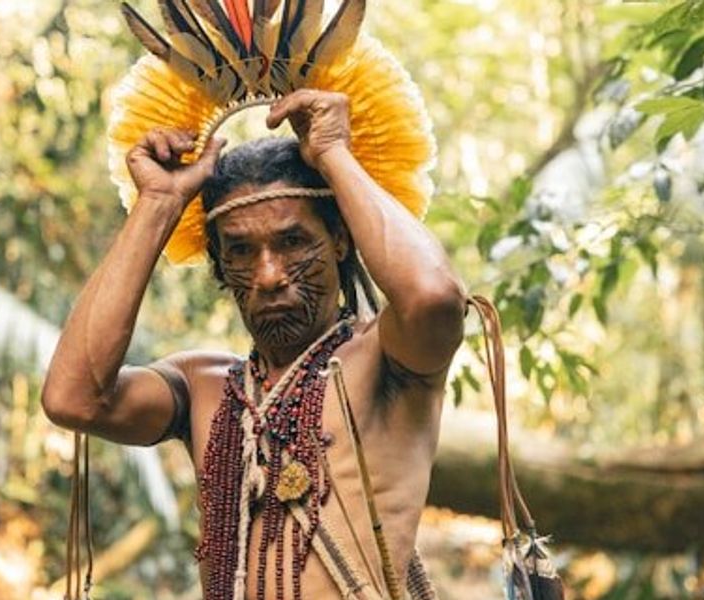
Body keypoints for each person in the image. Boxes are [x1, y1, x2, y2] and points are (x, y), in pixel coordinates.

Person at [42, 88, 466, 600]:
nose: (269, 275)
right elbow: (73, 398)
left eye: (292, 242)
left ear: (339, 240)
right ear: (220, 266)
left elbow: (434, 297)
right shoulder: (205, 388)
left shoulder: (389, 359)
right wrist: (159, 204)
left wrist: (333, 153)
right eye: (241, 251)